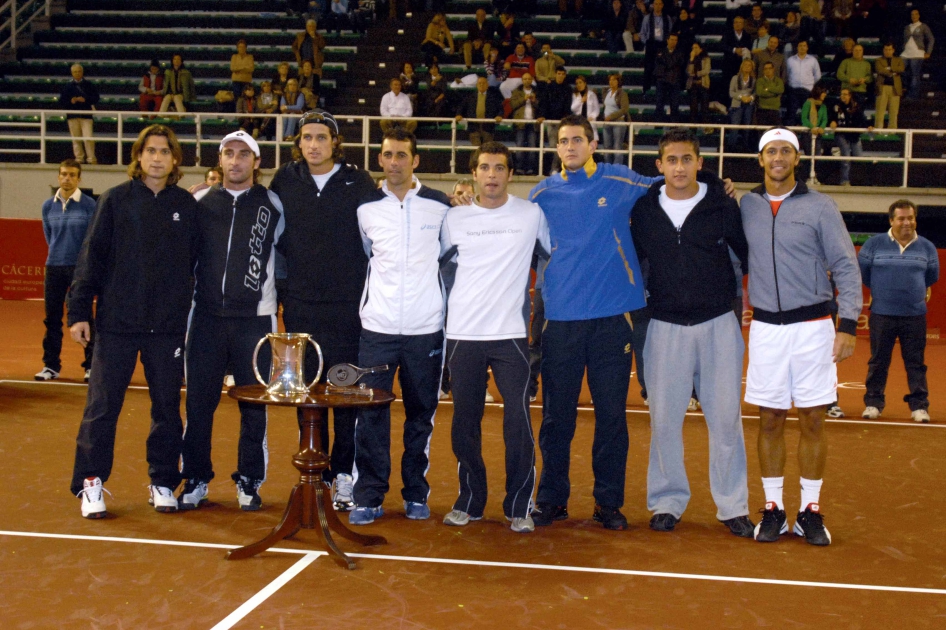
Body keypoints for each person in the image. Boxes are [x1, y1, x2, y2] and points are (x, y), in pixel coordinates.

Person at [528, 115, 659, 531]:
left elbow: (672, 186)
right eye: (563, 141)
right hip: (561, 322)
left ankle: (608, 503)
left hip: (611, 321)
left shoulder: (619, 181)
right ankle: (551, 499)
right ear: (556, 147)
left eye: (577, 140)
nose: (570, 147)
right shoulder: (541, 194)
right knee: (556, 419)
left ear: (593, 142)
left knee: (611, 417)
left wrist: (715, 182)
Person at [741, 127, 862, 546]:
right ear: (760, 159)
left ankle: (810, 511)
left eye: (785, 151)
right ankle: (773, 509)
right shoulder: (747, 205)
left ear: (797, 158)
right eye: (771, 151)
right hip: (766, 329)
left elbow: (846, 266)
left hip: (813, 328)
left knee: (813, 416)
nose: (778, 157)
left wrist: (847, 324)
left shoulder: (821, 206)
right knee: (770, 417)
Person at [68, 125, 198, 518]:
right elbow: (91, 258)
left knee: (166, 409)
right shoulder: (114, 201)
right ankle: (90, 484)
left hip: (168, 328)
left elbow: (198, 266)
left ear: (175, 159)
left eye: (165, 151)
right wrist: (78, 312)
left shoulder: (187, 206)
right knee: (103, 407)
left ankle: (162, 480)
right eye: (150, 151)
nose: (157, 157)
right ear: (138, 157)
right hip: (117, 324)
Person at [631, 135, 754, 539]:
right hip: (664, 326)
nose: (679, 167)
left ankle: (732, 505)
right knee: (664, 421)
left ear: (700, 162)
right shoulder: (644, 210)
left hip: (718, 322)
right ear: (659, 165)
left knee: (725, 420)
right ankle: (667, 501)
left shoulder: (722, 204)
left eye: (686, 159)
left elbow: (748, 254)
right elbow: (633, 261)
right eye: (671, 160)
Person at [440, 141, 551, 533]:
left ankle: (520, 504)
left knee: (518, 421)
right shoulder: (454, 219)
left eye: (499, 168)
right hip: (463, 335)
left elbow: (550, 257)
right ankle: (469, 499)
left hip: (510, 336)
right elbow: (442, 270)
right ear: (473, 173)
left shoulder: (531, 214)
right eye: (484, 167)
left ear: (510, 174)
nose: (491, 175)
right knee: (464, 422)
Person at [269, 110, 375, 513]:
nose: (314, 144)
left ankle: (344, 475)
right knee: (307, 393)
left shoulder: (357, 181)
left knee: (343, 392)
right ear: (299, 143)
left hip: (348, 306)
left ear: (335, 142)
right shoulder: (285, 179)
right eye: (307, 137)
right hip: (299, 305)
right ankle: (315, 472)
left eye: (321, 137)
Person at [348, 128, 451, 526]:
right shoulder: (366, 208)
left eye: (402, 155)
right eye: (388, 155)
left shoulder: (440, 207)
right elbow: (365, 255)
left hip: (426, 329)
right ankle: (369, 495)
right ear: (380, 159)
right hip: (378, 328)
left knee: (420, 415)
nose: (395, 162)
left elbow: (447, 257)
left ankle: (415, 493)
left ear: (415, 160)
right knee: (370, 414)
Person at [179, 131, 285, 511]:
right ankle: (195, 478)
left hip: (255, 321)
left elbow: (288, 253)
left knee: (254, 405)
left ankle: (249, 480)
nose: (236, 161)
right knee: (198, 404)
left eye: (244, 155)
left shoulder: (274, 204)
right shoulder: (199, 201)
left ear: (256, 163)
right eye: (229, 154)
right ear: (219, 160)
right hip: (205, 317)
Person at [859, 200, 939, 423]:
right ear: (891, 220)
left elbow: (932, 276)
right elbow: (864, 274)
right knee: (878, 361)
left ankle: (919, 407)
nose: (907, 222)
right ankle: (873, 404)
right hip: (882, 313)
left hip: (914, 315)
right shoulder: (873, 245)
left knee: (916, 362)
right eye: (901, 218)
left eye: (910, 218)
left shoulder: (927, 247)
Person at [36, 159, 96, 383]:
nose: (67, 178)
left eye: (72, 175)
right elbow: (49, 235)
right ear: (58, 176)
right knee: (52, 319)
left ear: (79, 178)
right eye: (63, 174)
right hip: (54, 267)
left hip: (79, 269)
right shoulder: (47, 206)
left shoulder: (89, 205)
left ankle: (90, 366)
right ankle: (51, 366)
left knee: (85, 317)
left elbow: (91, 239)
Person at [830, 88, 872, 186]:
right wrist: (832, 122)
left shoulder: (856, 106)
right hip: (841, 134)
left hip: (854, 135)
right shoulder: (836, 106)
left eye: (845, 94)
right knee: (846, 156)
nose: (843, 96)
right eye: (841, 94)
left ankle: (859, 180)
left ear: (850, 96)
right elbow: (832, 116)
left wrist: (868, 125)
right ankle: (844, 180)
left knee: (859, 157)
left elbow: (862, 118)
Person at [59, 63, 99, 165]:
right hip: (72, 115)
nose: (77, 73)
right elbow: (62, 102)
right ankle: (79, 158)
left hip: (86, 115)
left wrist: (85, 100)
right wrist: (71, 101)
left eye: (79, 71)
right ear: (72, 73)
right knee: (76, 139)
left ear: (82, 72)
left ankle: (91, 158)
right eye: (75, 72)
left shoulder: (89, 85)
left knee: (88, 138)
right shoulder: (67, 86)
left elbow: (96, 98)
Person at [455, 76, 504, 146]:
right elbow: (461, 107)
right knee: (476, 149)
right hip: (474, 127)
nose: (481, 85)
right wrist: (458, 114)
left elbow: (500, 109)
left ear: (487, 85)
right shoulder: (470, 97)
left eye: (483, 83)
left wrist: (499, 116)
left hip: (488, 127)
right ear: (476, 85)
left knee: (487, 150)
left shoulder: (494, 97)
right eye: (479, 83)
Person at [510, 72, 541, 175]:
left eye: (529, 79)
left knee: (532, 147)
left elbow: (541, 106)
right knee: (519, 146)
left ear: (532, 80)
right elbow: (513, 105)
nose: (527, 80)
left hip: (533, 123)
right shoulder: (516, 91)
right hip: (520, 123)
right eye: (525, 79)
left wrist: (534, 101)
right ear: (522, 80)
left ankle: (530, 169)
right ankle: (519, 168)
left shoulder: (537, 91)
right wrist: (523, 99)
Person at [640, 0, 674, 93]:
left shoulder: (667, 18)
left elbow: (670, 32)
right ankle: (646, 90)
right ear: (653, 5)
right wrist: (646, 43)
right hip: (651, 44)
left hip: (663, 45)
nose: (658, 6)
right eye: (656, 4)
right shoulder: (647, 18)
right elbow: (642, 33)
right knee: (648, 68)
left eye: (660, 4)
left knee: (663, 68)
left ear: (662, 5)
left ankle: (662, 91)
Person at [901, 9, 934, 100]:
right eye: (912, 14)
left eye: (916, 14)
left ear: (919, 15)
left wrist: (928, 52)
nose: (914, 16)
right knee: (899, 70)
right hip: (906, 53)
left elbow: (931, 39)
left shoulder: (923, 26)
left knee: (915, 74)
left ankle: (913, 95)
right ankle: (904, 89)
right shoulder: (907, 27)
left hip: (917, 53)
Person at [785, 40, 821, 125]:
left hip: (808, 91)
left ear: (807, 47)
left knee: (807, 114)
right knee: (791, 114)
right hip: (793, 91)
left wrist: (809, 84)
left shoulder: (813, 60)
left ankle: (807, 136)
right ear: (797, 47)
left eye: (804, 46)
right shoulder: (790, 60)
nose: (802, 47)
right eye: (800, 45)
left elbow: (818, 75)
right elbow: (786, 74)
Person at [653, 33, 686, 123]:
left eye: (675, 40)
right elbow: (659, 65)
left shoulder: (680, 52)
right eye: (672, 39)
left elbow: (678, 64)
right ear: (667, 40)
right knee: (659, 104)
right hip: (662, 81)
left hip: (674, 81)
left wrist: (666, 62)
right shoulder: (660, 51)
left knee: (674, 105)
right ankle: (657, 125)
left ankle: (674, 126)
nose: (674, 42)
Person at [800, 85, 827, 183]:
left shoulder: (823, 106)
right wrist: (812, 128)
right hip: (807, 134)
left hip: (818, 135)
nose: (825, 94)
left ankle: (814, 176)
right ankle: (805, 178)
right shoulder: (808, 103)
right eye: (823, 92)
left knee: (817, 156)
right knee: (809, 156)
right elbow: (804, 118)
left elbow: (824, 119)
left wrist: (821, 128)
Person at [600, 74, 629, 165]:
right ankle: (608, 168)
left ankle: (617, 169)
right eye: (610, 80)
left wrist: (611, 116)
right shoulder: (606, 92)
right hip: (607, 122)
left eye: (614, 80)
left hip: (618, 122)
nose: (611, 82)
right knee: (607, 146)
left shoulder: (622, 94)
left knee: (617, 146)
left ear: (618, 82)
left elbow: (624, 109)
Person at [874, 43, 904, 130]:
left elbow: (901, 69)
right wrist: (893, 72)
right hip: (882, 87)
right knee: (880, 111)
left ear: (893, 50)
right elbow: (880, 70)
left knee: (894, 112)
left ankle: (892, 131)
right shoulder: (878, 60)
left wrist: (889, 68)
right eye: (886, 50)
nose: (887, 51)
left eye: (889, 49)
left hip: (895, 88)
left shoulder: (898, 60)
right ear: (883, 50)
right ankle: (878, 130)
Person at [728, 59, 757, 150]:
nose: (747, 67)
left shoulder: (754, 80)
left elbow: (755, 93)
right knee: (735, 127)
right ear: (741, 66)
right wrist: (741, 97)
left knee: (746, 127)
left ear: (752, 68)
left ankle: (745, 148)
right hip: (737, 104)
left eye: (749, 65)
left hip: (749, 105)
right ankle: (731, 148)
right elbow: (731, 92)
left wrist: (750, 98)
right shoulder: (735, 78)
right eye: (745, 65)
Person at [687, 41, 712, 126]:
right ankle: (693, 127)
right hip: (693, 85)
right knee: (693, 108)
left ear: (701, 49)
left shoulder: (706, 58)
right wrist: (691, 59)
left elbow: (706, 70)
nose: (694, 50)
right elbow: (689, 72)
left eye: (696, 48)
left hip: (703, 84)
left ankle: (706, 127)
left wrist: (697, 74)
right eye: (693, 48)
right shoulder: (691, 59)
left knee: (704, 107)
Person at [755, 61, 784, 127]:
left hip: (775, 110)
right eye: (765, 69)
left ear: (773, 69)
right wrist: (774, 93)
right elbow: (760, 92)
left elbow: (780, 90)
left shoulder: (779, 80)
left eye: (770, 68)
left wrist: (767, 88)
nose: (768, 70)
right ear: (763, 71)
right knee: (762, 132)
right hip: (762, 110)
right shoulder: (760, 81)